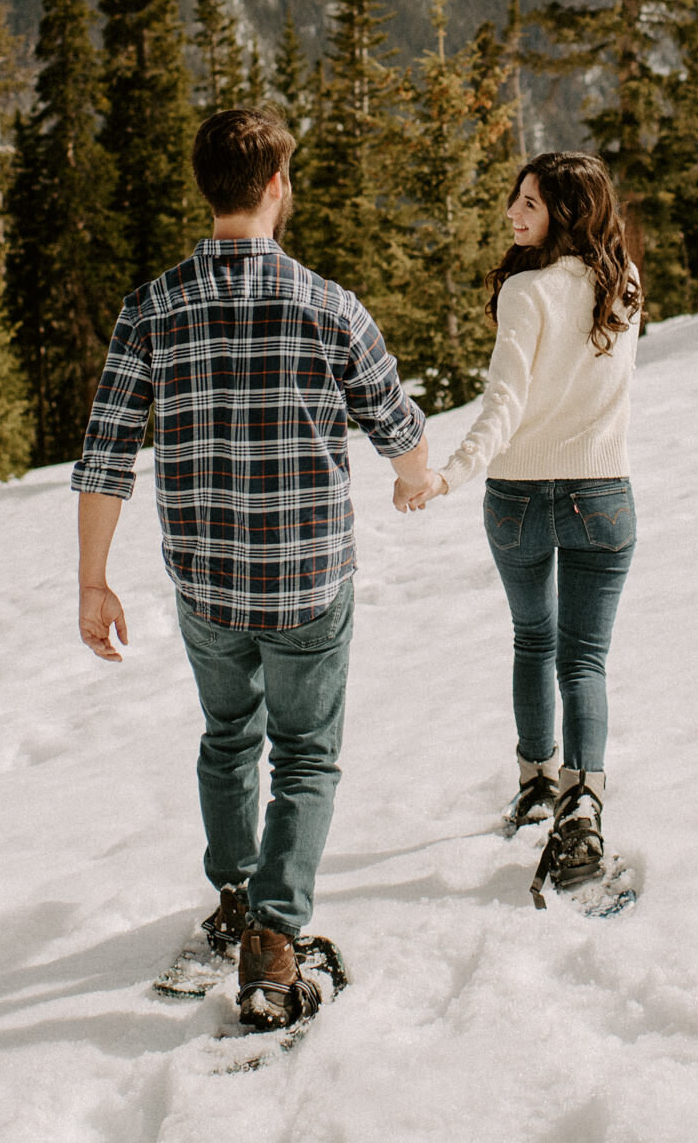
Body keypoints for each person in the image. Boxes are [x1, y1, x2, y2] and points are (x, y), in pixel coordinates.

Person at [74, 106, 436, 1031]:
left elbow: (106, 456)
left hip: (207, 585)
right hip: (309, 580)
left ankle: (235, 898)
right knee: (306, 753)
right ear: (277, 185)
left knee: (228, 738)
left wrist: (93, 581)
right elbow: (396, 424)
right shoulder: (329, 305)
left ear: (210, 189)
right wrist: (416, 478)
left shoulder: (152, 308)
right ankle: (274, 941)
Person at [405, 151, 640, 899]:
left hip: (518, 498)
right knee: (585, 658)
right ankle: (584, 803)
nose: (512, 212)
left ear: (564, 213)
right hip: (602, 495)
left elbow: (504, 403)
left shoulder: (524, 291)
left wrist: (448, 473)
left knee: (534, 640)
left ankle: (537, 784)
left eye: (530, 203)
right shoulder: (624, 284)